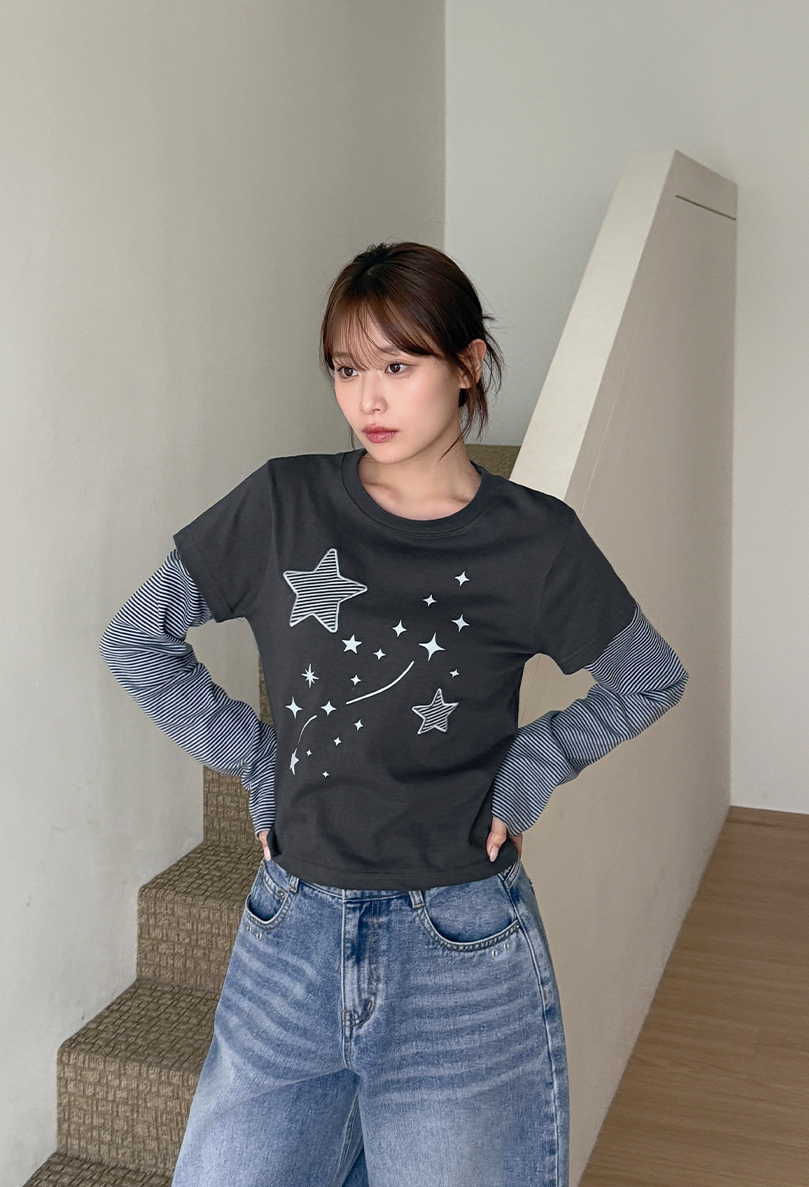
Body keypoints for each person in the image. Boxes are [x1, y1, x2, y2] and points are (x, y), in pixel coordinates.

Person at [100, 241, 689, 1187]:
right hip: (289, 935)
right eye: (347, 369)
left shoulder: (537, 541)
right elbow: (138, 638)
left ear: (468, 365)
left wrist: (535, 764)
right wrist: (256, 759)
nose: (367, 398)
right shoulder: (282, 503)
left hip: (461, 947)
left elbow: (649, 677)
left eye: (398, 366)